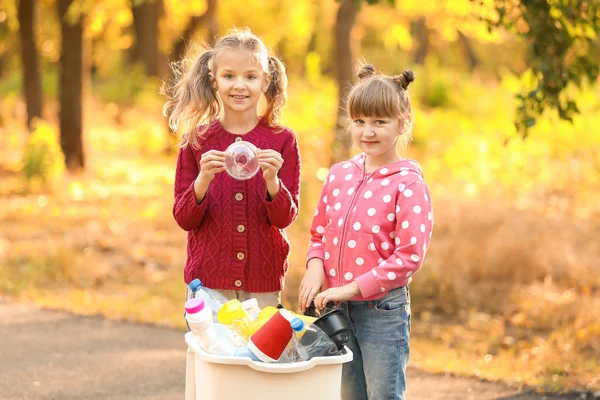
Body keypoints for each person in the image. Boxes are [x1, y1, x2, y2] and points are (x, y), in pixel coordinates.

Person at [298, 64, 433, 400]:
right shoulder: (339, 174)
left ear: (401, 124)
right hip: (335, 308)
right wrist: (316, 268)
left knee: (382, 395)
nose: (368, 132)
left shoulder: (409, 183)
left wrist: (352, 288)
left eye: (379, 122)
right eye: (360, 121)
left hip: (382, 312)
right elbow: (319, 233)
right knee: (348, 394)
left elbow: (409, 257)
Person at [163, 28, 300, 309]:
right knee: (212, 354)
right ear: (214, 80)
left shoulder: (282, 140)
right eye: (229, 76)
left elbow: (285, 219)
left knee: (260, 354)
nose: (240, 85)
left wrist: (273, 181)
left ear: (266, 80)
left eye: (250, 77)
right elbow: (184, 219)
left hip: (263, 285)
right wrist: (202, 180)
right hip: (208, 286)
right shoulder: (196, 140)